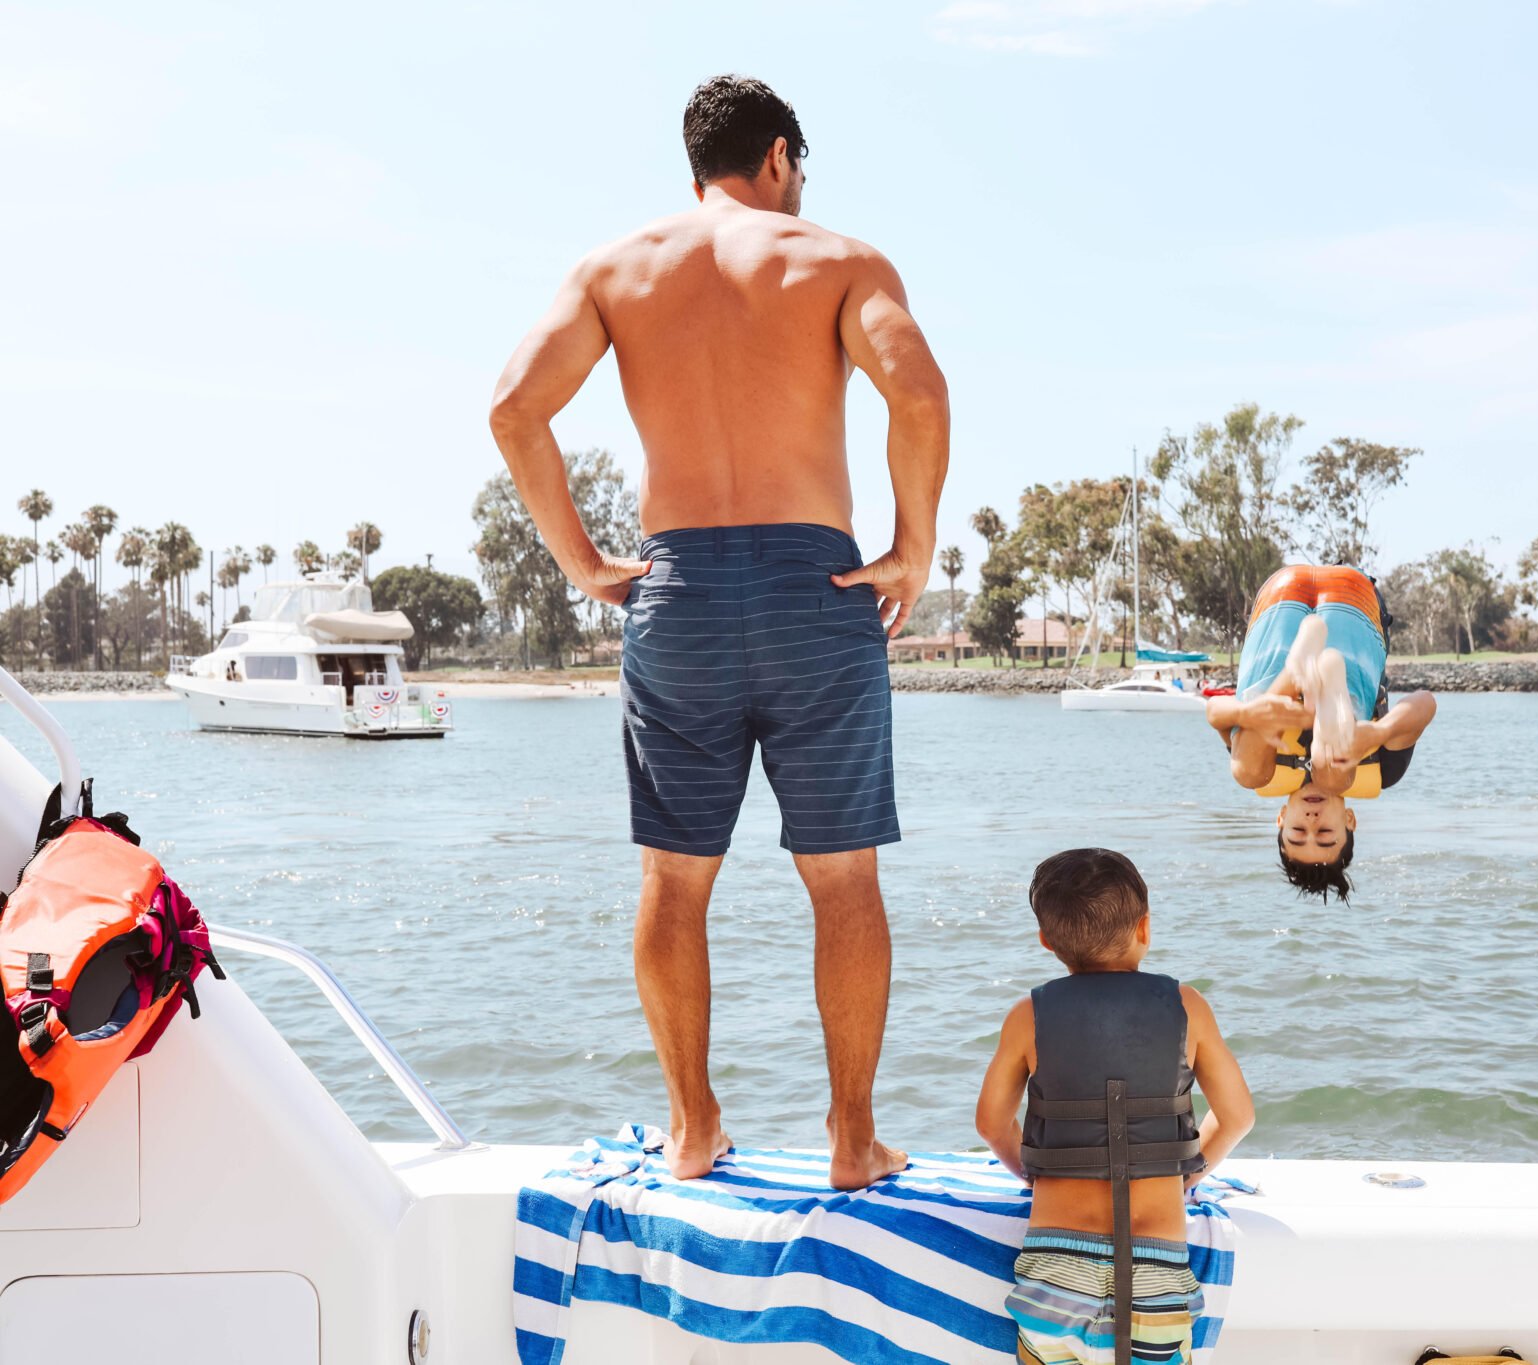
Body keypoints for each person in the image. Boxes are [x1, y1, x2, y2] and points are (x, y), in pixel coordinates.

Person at [488, 74, 949, 1188]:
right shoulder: (834, 261)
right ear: (781, 157)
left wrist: (586, 565)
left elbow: (514, 409)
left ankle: (693, 1129)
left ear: (697, 166)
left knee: (673, 881)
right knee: (842, 882)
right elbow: (919, 397)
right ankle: (849, 1137)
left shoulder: (617, 268)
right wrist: (911, 548)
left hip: (678, 588)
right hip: (815, 586)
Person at [976, 848, 1255, 1365]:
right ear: (1144, 927)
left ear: (1046, 941)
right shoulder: (1187, 1006)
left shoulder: (1027, 1015)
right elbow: (1238, 1117)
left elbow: (991, 1123)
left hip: (1054, 1271)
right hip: (1156, 1274)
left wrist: (1035, 1172)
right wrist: (1186, 1175)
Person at [1205, 566, 1436, 902]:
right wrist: (1379, 732)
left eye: (1298, 832)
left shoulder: (1261, 767)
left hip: (1279, 604)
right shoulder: (1382, 770)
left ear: (1281, 818)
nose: (1312, 821)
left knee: (1246, 774)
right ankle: (1330, 686)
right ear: (1349, 820)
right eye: (1325, 832)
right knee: (1335, 776)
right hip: (1352, 604)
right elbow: (1426, 703)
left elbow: (1214, 714)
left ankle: (1298, 671)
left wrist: (1245, 712)